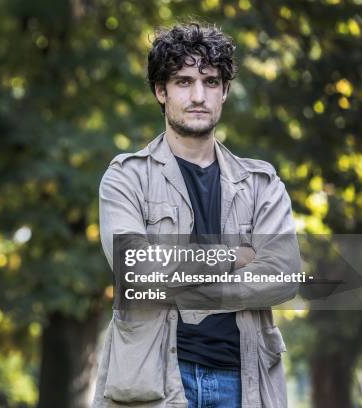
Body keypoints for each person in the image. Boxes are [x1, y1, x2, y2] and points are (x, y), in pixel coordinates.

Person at [92, 22, 300, 408]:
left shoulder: (261, 183)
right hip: (153, 379)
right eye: (184, 82)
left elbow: (283, 276)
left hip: (246, 381)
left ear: (224, 92)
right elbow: (137, 272)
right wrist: (230, 256)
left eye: (209, 81)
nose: (198, 95)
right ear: (161, 91)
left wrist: (179, 279)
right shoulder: (126, 177)